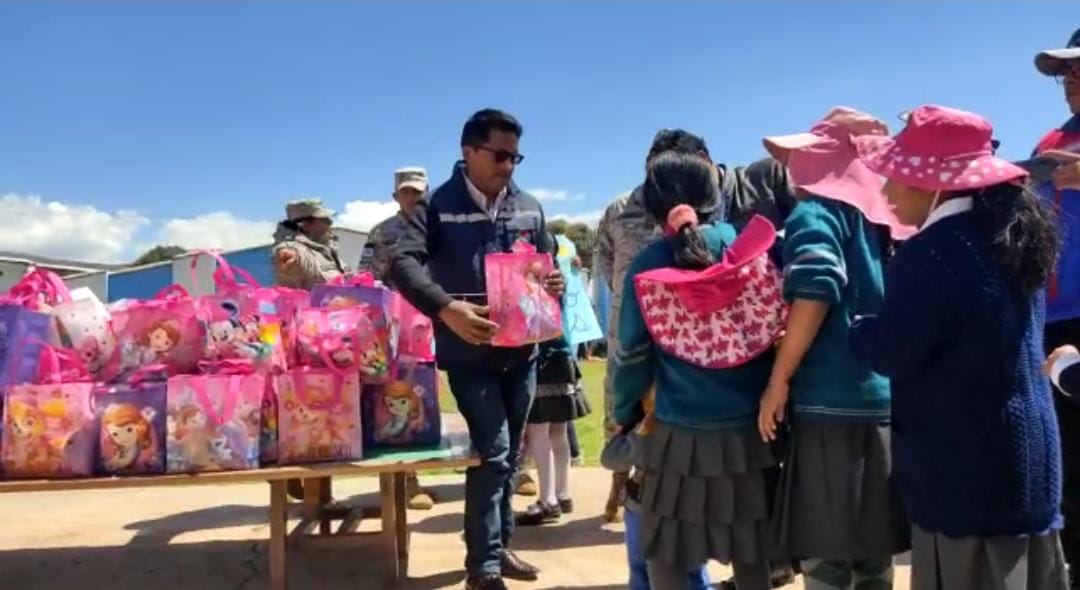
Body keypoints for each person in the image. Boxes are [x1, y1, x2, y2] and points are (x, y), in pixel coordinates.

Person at [850, 104, 1068, 590]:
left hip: (965, 478)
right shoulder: (1014, 238)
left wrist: (858, 329)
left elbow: (893, 350)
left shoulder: (932, 254)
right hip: (1027, 469)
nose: (886, 190)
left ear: (933, 184)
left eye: (896, 177)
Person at [390, 109, 564, 590]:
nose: (509, 165)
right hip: (470, 357)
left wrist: (553, 282)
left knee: (512, 457)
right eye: (500, 155)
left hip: (523, 352)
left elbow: (547, 268)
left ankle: (500, 547)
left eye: (516, 156)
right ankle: (482, 566)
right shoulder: (436, 206)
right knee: (494, 450)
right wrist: (446, 309)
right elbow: (402, 262)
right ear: (469, 151)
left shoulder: (529, 205)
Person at [594, 128, 794, 524]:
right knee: (747, 530)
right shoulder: (750, 245)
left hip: (674, 410)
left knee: (671, 530)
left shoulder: (649, 262)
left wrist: (625, 406)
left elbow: (630, 348)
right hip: (746, 410)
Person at [758, 107, 912, 590]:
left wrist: (779, 379)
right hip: (879, 401)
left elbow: (816, 288)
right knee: (872, 552)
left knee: (827, 556)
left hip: (828, 404)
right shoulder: (878, 221)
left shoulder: (814, 214)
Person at [356, 167, 437, 512]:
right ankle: (406, 482)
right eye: (406, 192)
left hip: (437, 321)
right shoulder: (383, 232)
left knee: (429, 400)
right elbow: (368, 278)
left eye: (418, 191)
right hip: (396, 328)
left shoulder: (442, 224)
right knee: (393, 397)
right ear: (395, 196)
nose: (413, 197)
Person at [1034, 29, 1080, 585]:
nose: (1069, 81)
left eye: (1078, 70)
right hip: (1049, 323)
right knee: (1066, 460)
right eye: (1065, 74)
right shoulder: (1052, 138)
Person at [271, 198, 350, 505]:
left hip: (326, 339)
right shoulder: (293, 250)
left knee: (324, 409)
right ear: (305, 224)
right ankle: (293, 471)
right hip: (303, 342)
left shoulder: (325, 247)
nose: (329, 224)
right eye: (323, 220)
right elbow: (289, 267)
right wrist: (287, 258)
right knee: (308, 406)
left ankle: (318, 490)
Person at [515, 247, 593, 527]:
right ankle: (562, 493)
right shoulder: (557, 279)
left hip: (543, 359)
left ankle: (547, 500)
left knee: (539, 430)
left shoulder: (535, 284)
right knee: (558, 431)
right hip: (562, 357)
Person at [271, 199, 349, 289]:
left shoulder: (325, 249)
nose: (330, 222)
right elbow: (297, 257)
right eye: (323, 219)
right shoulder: (296, 250)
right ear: (304, 224)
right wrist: (293, 256)